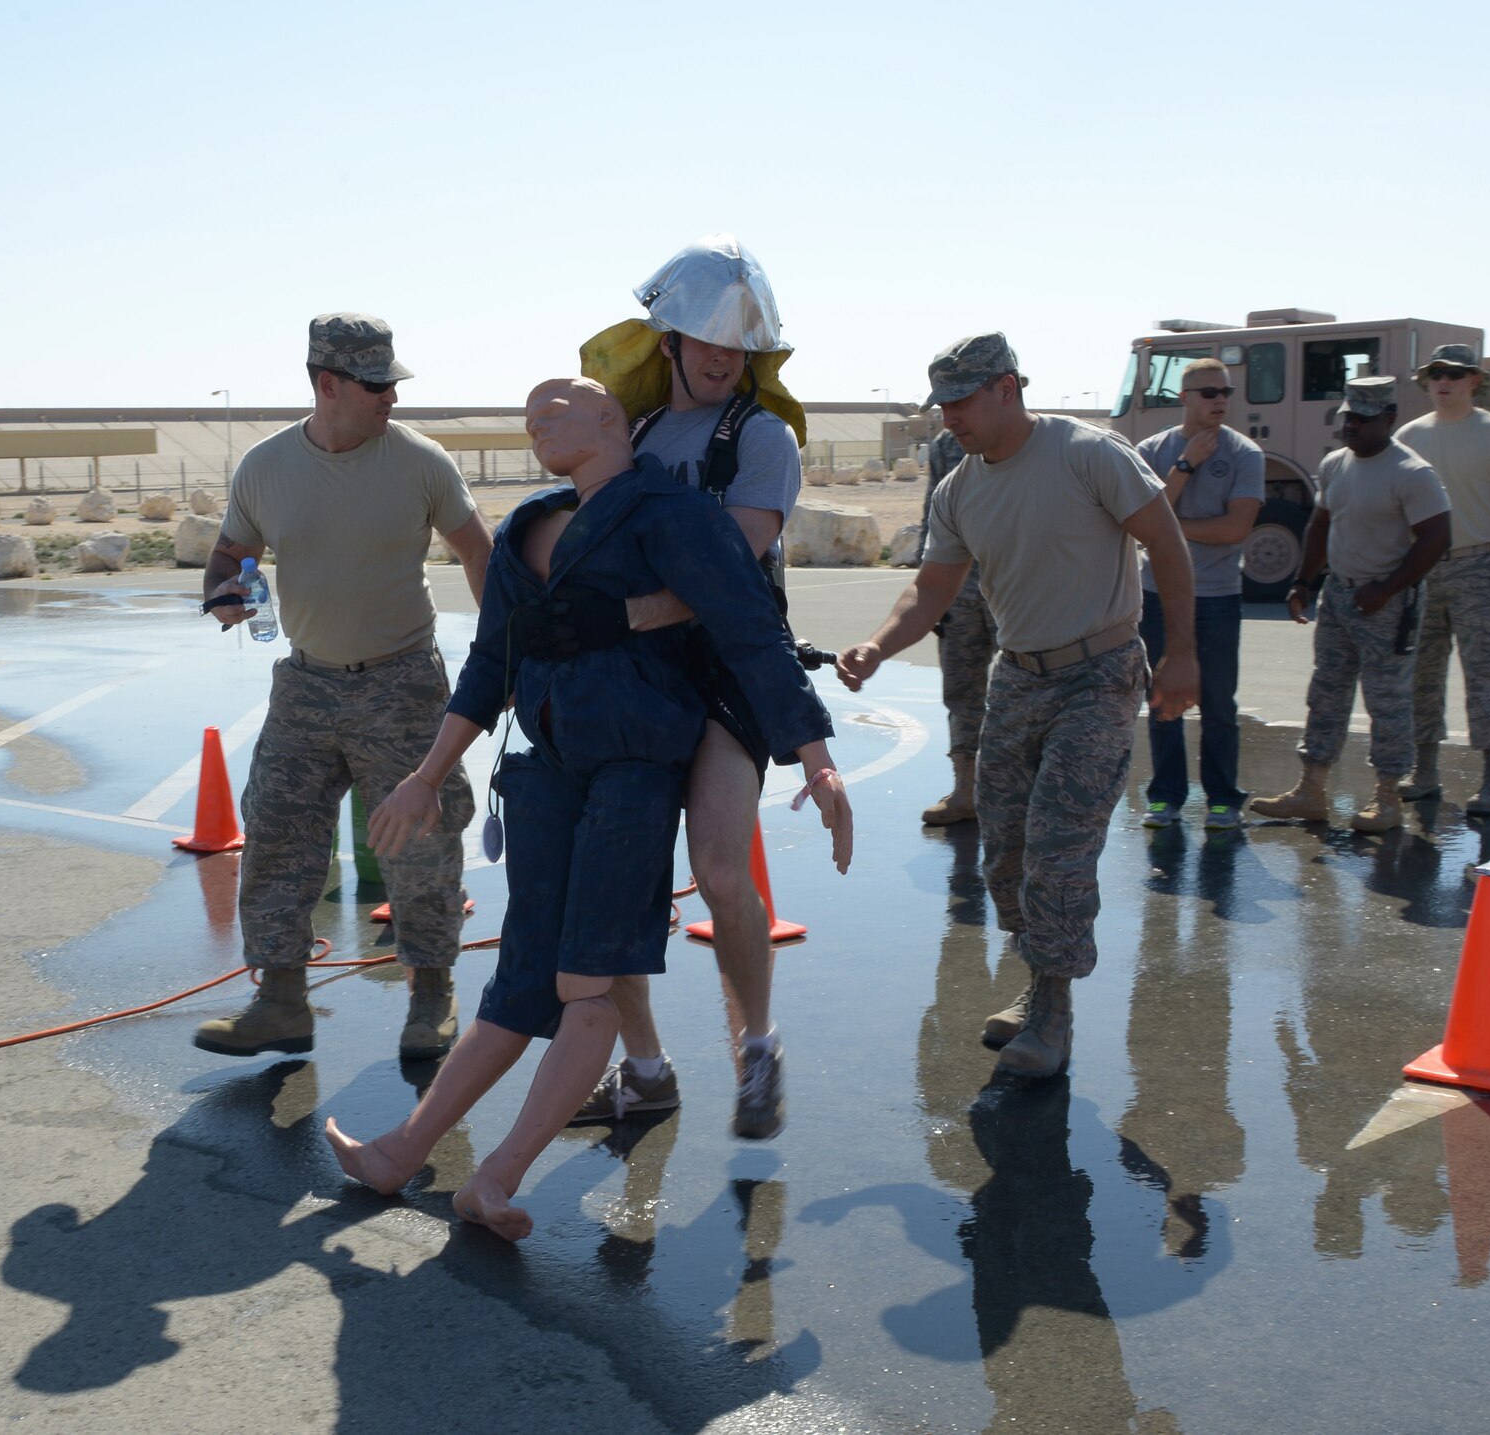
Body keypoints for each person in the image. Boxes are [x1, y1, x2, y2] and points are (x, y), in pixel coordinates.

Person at [325, 377, 852, 1239]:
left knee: (588, 987)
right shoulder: (529, 525)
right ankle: (399, 1151)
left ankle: (496, 1177)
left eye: (555, 408)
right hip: (546, 774)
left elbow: (750, 626)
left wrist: (818, 759)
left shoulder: (668, 514)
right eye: (529, 413)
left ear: (612, 420)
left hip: (634, 773)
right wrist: (426, 773)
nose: (536, 421)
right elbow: (489, 662)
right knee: (519, 980)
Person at [837, 333, 1200, 1079]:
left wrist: (1182, 651)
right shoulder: (958, 488)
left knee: (1059, 843)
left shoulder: (1087, 452)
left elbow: (1166, 541)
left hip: (1098, 673)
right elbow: (932, 589)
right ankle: (1040, 982)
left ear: (1007, 387)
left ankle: (1055, 1015)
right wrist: (877, 645)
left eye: (961, 401)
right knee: (1004, 850)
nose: (949, 418)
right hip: (1018, 677)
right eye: (942, 404)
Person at [558, 235, 812, 1137]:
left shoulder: (763, 436)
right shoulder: (630, 437)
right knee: (613, 881)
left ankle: (758, 1047)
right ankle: (648, 1068)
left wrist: (616, 616)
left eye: (739, 345)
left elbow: (730, 565)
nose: (721, 359)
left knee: (715, 867)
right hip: (634, 675)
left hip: (727, 671)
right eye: (704, 340)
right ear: (663, 340)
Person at [192, 313, 492, 1063]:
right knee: (278, 833)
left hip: (403, 682)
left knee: (422, 842)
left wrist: (505, 657)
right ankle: (281, 1000)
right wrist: (224, 592)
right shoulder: (264, 467)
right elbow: (231, 552)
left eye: (393, 381)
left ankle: (431, 994)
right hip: (306, 682)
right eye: (376, 383)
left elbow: (481, 554)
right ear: (328, 385)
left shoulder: (421, 462)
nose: (392, 396)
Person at [1246, 377, 1451, 831]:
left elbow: (1437, 537)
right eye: (1348, 417)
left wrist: (1389, 588)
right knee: (1326, 694)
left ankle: (1387, 799)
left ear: (1389, 420)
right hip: (1340, 594)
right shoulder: (1336, 465)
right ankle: (1311, 790)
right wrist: (1303, 581)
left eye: (1363, 419)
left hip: (1387, 601)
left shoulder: (1411, 472)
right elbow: (1320, 525)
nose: (1352, 426)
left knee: (1388, 701)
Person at [1395, 343, 1490, 815]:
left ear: (1475, 380)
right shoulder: (1409, 436)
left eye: (1456, 373)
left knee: (1484, 676)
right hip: (1422, 568)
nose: (1445, 380)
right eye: (1437, 372)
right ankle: (1425, 770)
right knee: (1422, 676)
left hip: (1477, 566)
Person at [1133, 358, 1265, 831]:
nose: (1220, 402)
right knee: (1163, 697)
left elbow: (1236, 529)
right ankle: (1166, 797)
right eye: (1209, 393)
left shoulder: (1246, 454)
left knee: (1218, 704)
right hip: (1158, 594)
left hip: (1218, 596)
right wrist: (1186, 466)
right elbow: (1140, 521)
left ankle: (1222, 800)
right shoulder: (1152, 450)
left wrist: (1168, 530)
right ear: (1185, 398)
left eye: (1226, 393)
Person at [919, 427, 998, 826]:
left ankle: (1015, 791)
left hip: (1012, 587)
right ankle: (965, 788)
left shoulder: (1028, 443)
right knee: (961, 690)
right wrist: (930, 595)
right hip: (959, 588)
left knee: (1024, 692)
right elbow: (932, 512)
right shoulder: (945, 447)